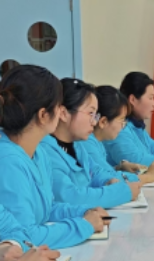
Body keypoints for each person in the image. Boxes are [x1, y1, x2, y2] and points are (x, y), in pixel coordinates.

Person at [0, 65, 107, 249]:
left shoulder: (39, 152)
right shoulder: (7, 160)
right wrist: (84, 225)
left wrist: (83, 212)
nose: (61, 112)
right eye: (58, 107)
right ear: (43, 115)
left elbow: (46, 209)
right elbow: (25, 237)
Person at [41, 78, 141, 209]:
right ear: (64, 114)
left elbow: (96, 172)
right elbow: (70, 197)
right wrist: (121, 192)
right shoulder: (46, 151)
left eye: (95, 115)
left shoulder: (77, 145)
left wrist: (109, 180)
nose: (94, 122)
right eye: (90, 113)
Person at [83, 85, 154, 184]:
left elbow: (99, 172)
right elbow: (110, 180)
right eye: (121, 120)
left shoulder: (97, 142)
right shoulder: (87, 143)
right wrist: (148, 176)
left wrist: (119, 167)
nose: (123, 126)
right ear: (103, 122)